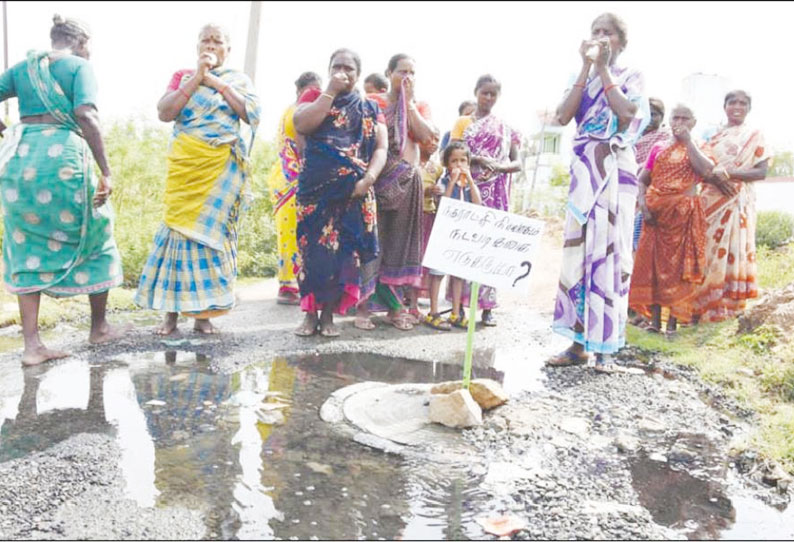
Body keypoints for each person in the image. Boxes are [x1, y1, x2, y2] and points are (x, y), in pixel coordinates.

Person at [0, 15, 128, 365]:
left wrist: (7, 132)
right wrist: (106, 171)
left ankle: (32, 347)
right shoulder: (78, 68)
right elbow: (86, 115)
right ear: (82, 43)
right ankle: (99, 328)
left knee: (24, 244)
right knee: (96, 232)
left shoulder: (24, 69)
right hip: (63, 161)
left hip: (19, 159)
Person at [134, 24, 261, 335]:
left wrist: (215, 82)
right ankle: (170, 315)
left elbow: (250, 113)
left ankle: (203, 316)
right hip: (187, 167)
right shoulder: (182, 76)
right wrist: (197, 77)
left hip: (220, 170)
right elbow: (165, 112)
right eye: (206, 40)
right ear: (197, 47)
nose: (212, 45)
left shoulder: (237, 80)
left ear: (227, 51)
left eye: (218, 41)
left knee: (210, 241)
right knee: (175, 235)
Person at [546, 13, 649, 373]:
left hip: (615, 168)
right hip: (584, 170)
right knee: (579, 253)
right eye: (596, 32)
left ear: (621, 42)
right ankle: (577, 344)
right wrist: (583, 69)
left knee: (610, 252)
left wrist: (603, 70)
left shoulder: (630, 76)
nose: (601, 38)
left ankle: (606, 349)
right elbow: (561, 116)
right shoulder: (582, 78)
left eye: (609, 33)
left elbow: (626, 113)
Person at [292, 48, 388, 337]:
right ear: (329, 70)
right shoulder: (314, 97)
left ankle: (329, 315)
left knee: (343, 255)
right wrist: (330, 93)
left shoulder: (370, 107)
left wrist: (368, 179)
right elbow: (302, 125)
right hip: (315, 190)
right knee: (312, 253)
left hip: (354, 192)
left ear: (358, 74)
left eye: (349, 68)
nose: (342, 72)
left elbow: (381, 147)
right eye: (337, 67)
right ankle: (309, 315)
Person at [356, 53, 436, 332]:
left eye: (412, 73)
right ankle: (363, 306)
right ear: (388, 73)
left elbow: (427, 139)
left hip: (409, 184)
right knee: (372, 244)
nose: (407, 77)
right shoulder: (373, 103)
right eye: (402, 72)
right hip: (377, 182)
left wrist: (409, 104)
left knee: (399, 247)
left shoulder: (419, 106)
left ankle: (394, 308)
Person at [629, 104, 712, 334]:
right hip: (655, 217)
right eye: (676, 118)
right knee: (654, 267)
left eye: (686, 118)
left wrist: (688, 143)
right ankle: (655, 323)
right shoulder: (658, 147)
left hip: (683, 216)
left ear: (693, 123)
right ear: (670, 120)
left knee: (678, 269)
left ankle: (673, 324)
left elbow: (706, 171)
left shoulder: (699, 147)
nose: (680, 122)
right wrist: (644, 206)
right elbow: (643, 179)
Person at [448, 75, 522, 327]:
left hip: (496, 193)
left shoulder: (505, 128)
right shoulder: (463, 123)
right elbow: (452, 152)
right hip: (468, 190)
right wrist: (478, 160)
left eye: (493, 94)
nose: (488, 98)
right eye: (484, 93)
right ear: (476, 92)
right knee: (466, 244)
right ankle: (458, 305)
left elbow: (517, 162)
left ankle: (488, 307)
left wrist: (500, 167)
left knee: (491, 248)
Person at [689, 90, 769, 322]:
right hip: (709, 201)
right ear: (724, 106)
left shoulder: (755, 135)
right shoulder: (710, 136)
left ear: (749, 109)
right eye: (732, 102)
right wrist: (716, 178)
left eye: (743, 103)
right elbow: (699, 168)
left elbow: (761, 172)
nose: (737, 106)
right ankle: (699, 308)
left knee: (734, 249)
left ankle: (728, 307)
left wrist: (728, 174)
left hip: (738, 201)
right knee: (704, 251)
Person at [265, 71, 322, 306]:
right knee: (291, 233)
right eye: (314, 91)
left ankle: (293, 282)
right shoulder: (297, 113)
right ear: (301, 91)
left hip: (285, 178)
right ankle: (288, 285)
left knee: (292, 232)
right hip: (291, 180)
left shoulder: (291, 110)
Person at [423, 141, 482, 331]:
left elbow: (478, 203)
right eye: (454, 161)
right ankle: (433, 312)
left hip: (462, 234)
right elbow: (444, 204)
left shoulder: (468, 183)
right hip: (444, 232)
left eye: (463, 161)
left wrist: (470, 181)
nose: (458, 165)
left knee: (458, 274)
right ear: (447, 164)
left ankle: (456, 312)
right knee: (438, 274)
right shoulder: (444, 181)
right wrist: (451, 183)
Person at [632, 97, 672, 252]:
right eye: (644, 113)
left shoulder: (665, 139)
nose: (648, 118)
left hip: (652, 198)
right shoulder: (629, 137)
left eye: (654, 114)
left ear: (662, 117)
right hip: (627, 192)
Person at [415, 128, 443, 309]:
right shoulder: (411, 163)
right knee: (412, 255)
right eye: (430, 138)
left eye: (437, 139)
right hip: (411, 217)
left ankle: (416, 295)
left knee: (423, 255)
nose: (433, 143)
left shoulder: (437, 168)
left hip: (428, 216)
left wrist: (436, 194)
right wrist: (424, 191)